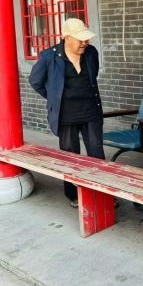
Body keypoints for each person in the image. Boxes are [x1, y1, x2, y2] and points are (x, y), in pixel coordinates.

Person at [29, 17, 105, 208]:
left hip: (90, 111)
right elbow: (35, 81)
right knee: (70, 156)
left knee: (97, 154)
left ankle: (102, 193)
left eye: (86, 38)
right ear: (67, 38)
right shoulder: (49, 57)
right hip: (66, 115)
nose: (85, 42)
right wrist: (55, 98)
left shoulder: (91, 53)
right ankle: (73, 194)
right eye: (80, 39)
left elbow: (93, 76)